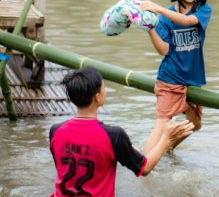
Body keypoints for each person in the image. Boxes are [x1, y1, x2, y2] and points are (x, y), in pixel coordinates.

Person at [49, 68, 194, 196]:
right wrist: (166, 139)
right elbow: (145, 168)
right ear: (97, 97)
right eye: (103, 88)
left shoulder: (55, 131)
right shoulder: (114, 136)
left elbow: (73, 160)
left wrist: (124, 150)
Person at [139, 0, 212, 153]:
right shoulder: (165, 18)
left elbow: (188, 21)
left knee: (194, 124)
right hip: (170, 79)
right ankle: (144, 166)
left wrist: (159, 8)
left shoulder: (204, 10)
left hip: (193, 80)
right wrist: (150, 29)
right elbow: (163, 50)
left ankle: (167, 148)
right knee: (163, 123)